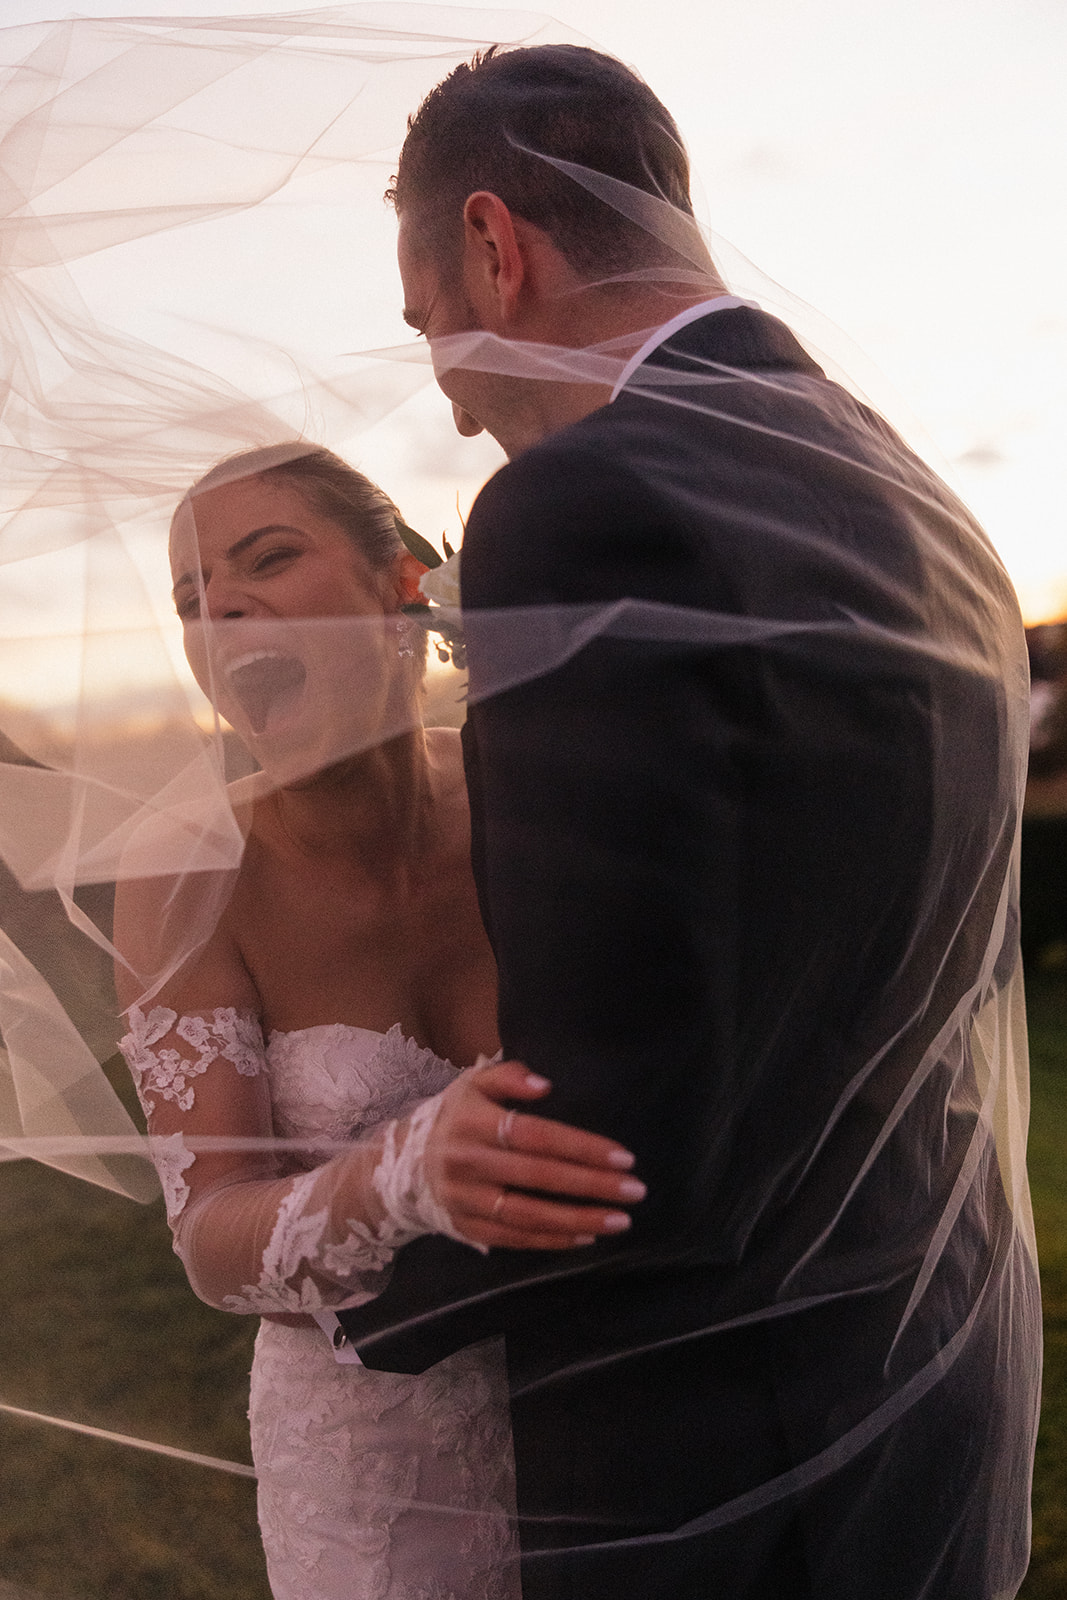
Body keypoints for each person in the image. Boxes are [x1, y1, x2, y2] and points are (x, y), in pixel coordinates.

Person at [335, 44, 1043, 1599]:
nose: (453, 411)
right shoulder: (918, 498)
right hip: (935, 1371)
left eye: (428, 329)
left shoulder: (580, 504)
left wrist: (353, 1275)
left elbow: (603, 1114)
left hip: (713, 1449)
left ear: (491, 247)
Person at [113, 443, 645, 1600]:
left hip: (612, 1401)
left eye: (267, 558)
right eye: (192, 596)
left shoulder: (525, 792)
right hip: (377, 1478)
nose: (224, 605)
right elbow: (209, 1242)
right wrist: (400, 1175)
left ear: (400, 582)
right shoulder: (190, 873)